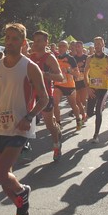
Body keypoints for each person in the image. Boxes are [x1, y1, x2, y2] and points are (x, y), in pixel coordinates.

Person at [0, 23, 48, 215]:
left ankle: (23, 196)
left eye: (15, 38)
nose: (9, 42)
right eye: (7, 38)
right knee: (3, 177)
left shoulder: (30, 67)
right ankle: (22, 209)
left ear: (23, 42)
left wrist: (29, 117)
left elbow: (44, 99)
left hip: (20, 127)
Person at [29, 31, 64, 160]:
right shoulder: (29, 56)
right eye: (35, 40)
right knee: (24, 119)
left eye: (39, 40)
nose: (36, 43)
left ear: (46, 42)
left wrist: (44, 74)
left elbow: (60, 77)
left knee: (49, 125)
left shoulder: (49, 58)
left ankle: (56, 144)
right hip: (31, 95)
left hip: (44, 96)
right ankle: (22, 147)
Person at [85, 36, 108, 143]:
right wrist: (88, 88)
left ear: (103, 45)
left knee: (98, 111)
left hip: (103, 88)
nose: (97, 46)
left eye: (99, 44)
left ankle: (96, 135)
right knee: (89, 112)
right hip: (92, 88)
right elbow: (85, 74)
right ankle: (97, 108)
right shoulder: (90, 58)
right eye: (96, 44)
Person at [52, 40, 83, 132]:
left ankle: (78, 119)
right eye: (60, 46)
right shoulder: (55, 58)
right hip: (58, 85)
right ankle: (58, 123)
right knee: (55, 103)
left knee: (73, 105)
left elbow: (77, 74)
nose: (61, 48)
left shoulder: (71, 59)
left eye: (63, 46)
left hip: (69, 86)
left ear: (67, 48)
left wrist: (68, 71)